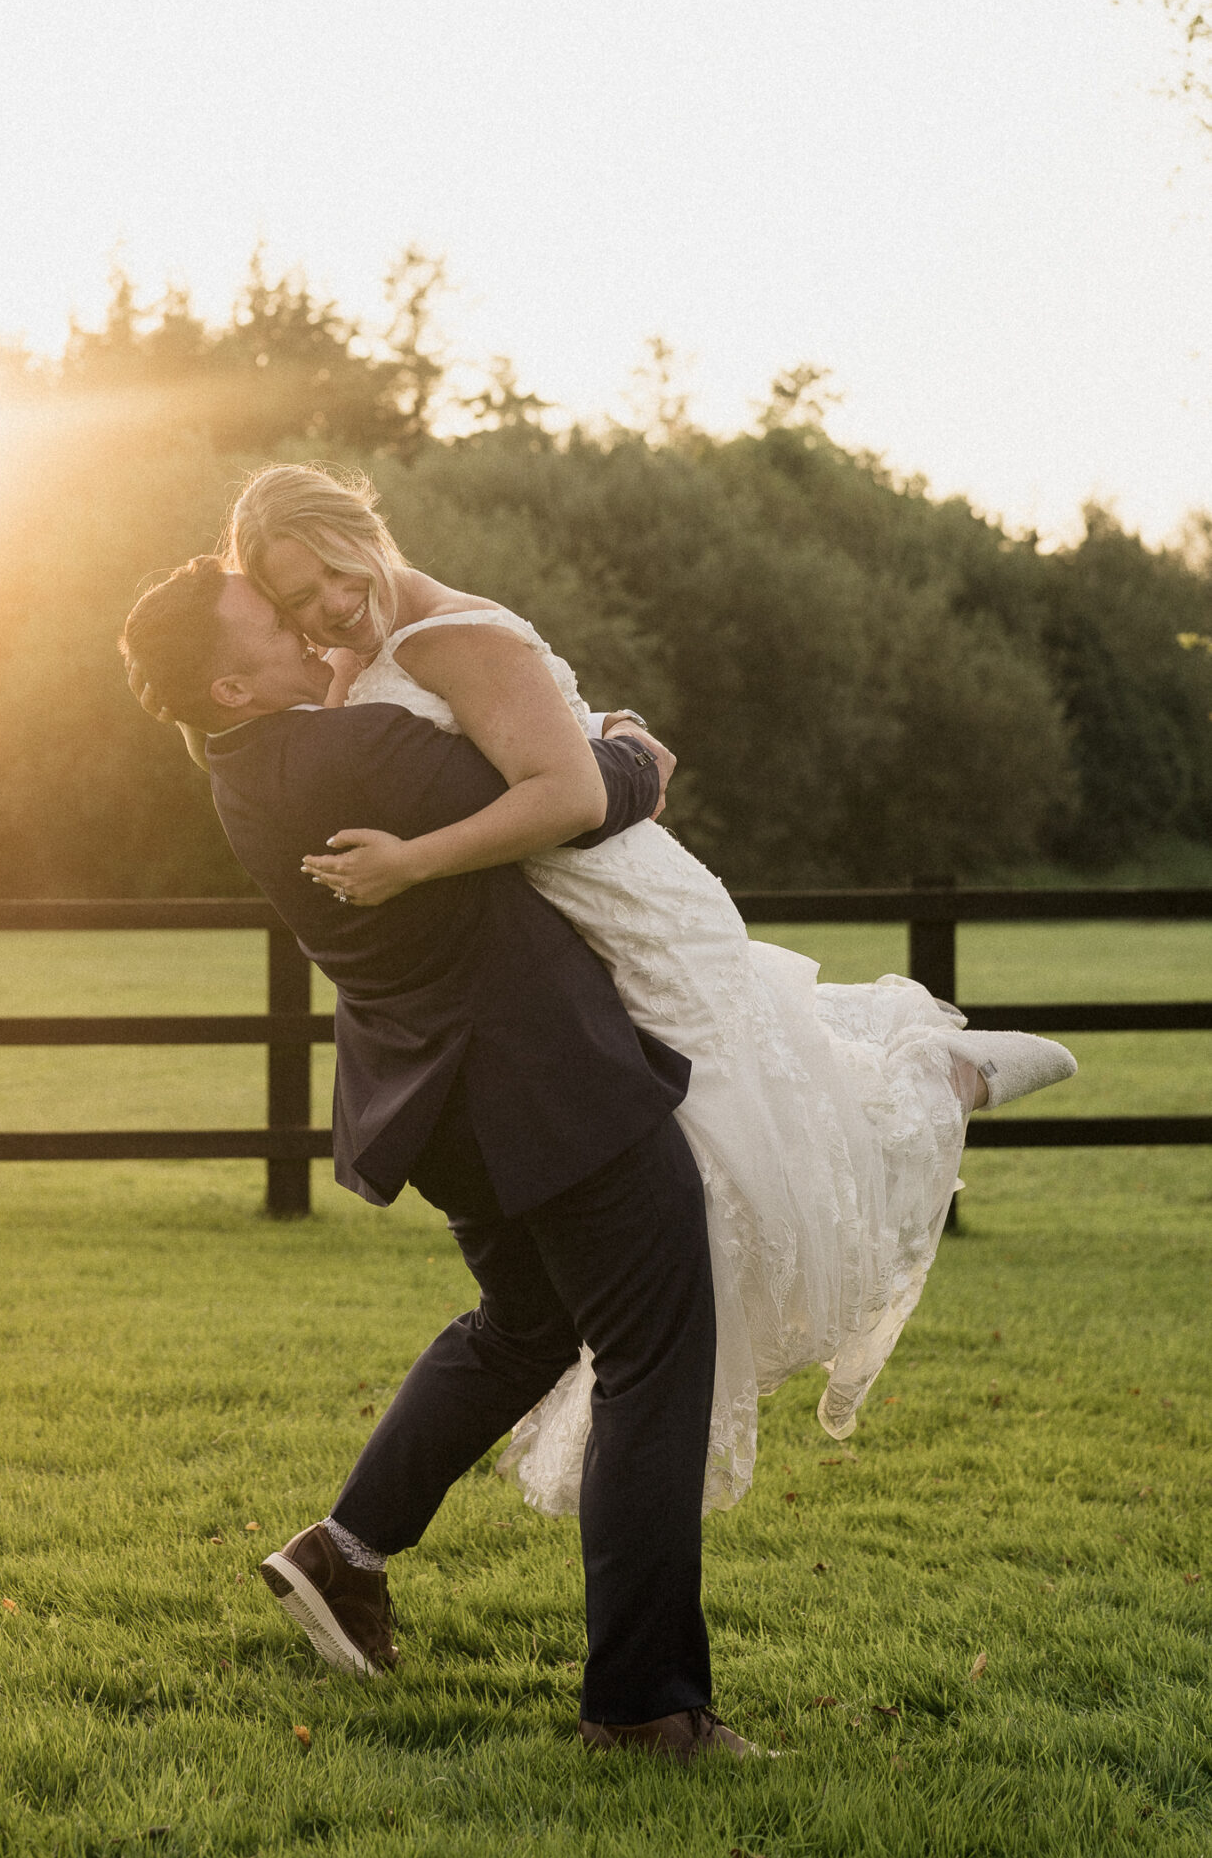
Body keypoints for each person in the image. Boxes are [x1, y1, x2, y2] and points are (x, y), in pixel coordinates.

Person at [208, 462, 1077, 1516]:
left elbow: (567, 791)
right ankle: (937, 1069)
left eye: (333, 578)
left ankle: (938, 1078)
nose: (328, 612)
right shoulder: (355, 663)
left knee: (755, 1129)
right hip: (560, 930)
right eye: (297, 604)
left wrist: (426, 856)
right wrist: (622, 753)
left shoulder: (445, 638)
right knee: (731, 1137)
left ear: (363, 530)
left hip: (620, 892)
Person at [120, 555, 747, 1762]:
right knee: (653, 1360)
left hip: (445, 1101)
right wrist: (630, 740)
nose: (310, 634)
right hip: (547, 1086)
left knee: (523, 1328)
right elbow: (569, 788)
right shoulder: (348, 752)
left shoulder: (241, 763)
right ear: (231, 680)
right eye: (277, 624)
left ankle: (342, 1551)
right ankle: (644, 1710)